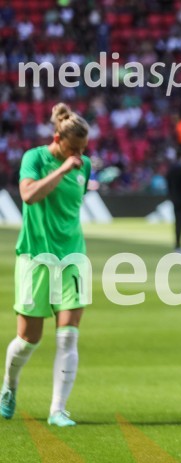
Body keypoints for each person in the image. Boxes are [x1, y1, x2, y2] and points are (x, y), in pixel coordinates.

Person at [1, 103, 92, 427]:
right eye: (73, 149)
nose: (80, 156)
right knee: (29, 339)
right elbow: (28, 196)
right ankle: (9, 386)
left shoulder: (85, 165)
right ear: (57, 138)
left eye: (83, 150)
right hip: (36, 256)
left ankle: (58, 410)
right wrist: (63, 169)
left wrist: (74, 165)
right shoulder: (35, 159)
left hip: (72, 257)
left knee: (68, 336)